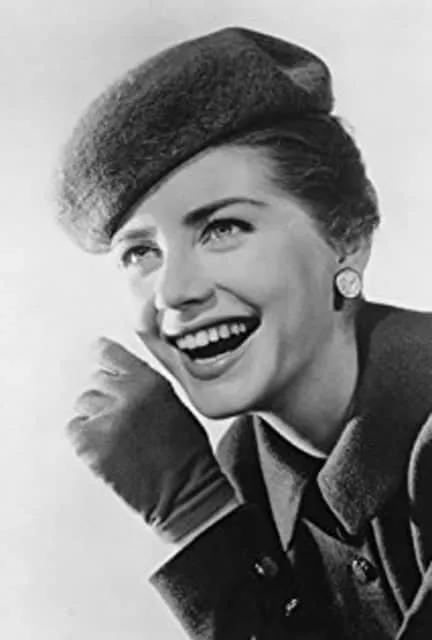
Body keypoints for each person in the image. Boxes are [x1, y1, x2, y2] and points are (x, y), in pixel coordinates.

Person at [55, 27, 432, 639]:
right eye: (141, 252)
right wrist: (198, 509)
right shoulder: (246, 468)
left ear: (347, 235)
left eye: (223, 229)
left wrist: (198, 515)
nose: (174, 291)